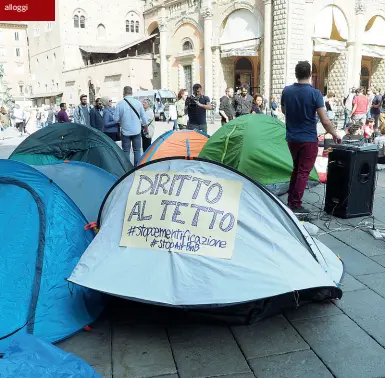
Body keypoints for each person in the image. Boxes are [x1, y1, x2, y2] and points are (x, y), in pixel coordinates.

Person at [281, 61, 341, 215]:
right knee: (303, 172)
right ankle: (295, 204)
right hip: (308, 138)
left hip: (292, 138)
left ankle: (291, 201)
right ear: (310, 75)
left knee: (296, 169)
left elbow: (283, 109)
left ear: (296, 74)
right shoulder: (315, 94)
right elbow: (325, 120)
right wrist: (334, 134)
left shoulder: (286, 91)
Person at [114, 86, 148, 166]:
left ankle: (127, 169)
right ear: (132, 93)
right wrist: (146, 127)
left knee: (126, 151)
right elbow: (144, 118)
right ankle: (136, 168)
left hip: (125, 131)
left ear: (123, 93)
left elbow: (115, 119)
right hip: (137, 131)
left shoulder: (119, 104)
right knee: (137, 150)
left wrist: (122, 120)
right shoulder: (138, 103)